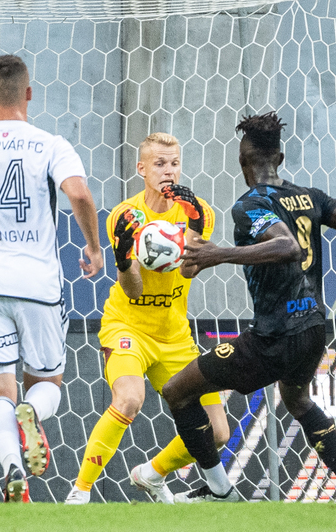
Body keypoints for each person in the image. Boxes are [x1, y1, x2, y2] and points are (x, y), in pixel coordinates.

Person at [161, 112, 336, 502]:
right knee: (298, 400)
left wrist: (218, 254)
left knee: (177, 391)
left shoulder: (250, 204)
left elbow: (287, 246)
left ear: (241, 161)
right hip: (313, 328)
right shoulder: (311, 197)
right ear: (279, 158)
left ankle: (220, 490)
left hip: (274, 338)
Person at [0, 54, 104, 503]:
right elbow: (78, 194)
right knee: (47, 385)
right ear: (29, 93)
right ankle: (30, 413)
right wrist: (94, 247)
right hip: (37, 284)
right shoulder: (50, 144)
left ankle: (12, 467)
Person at [65, 132, 229, 505]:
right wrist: (124, 258)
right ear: (142, 168)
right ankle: (80, 492)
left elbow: (187, 273)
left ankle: (151, 474)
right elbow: (134, 290)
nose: (168, 171)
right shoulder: (125, 216)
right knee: (128, 400)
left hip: (174, 335)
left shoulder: (200, 211)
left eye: (174, 163)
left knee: (217, 432)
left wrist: (196, 227)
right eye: (159, 163)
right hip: (128, 327)